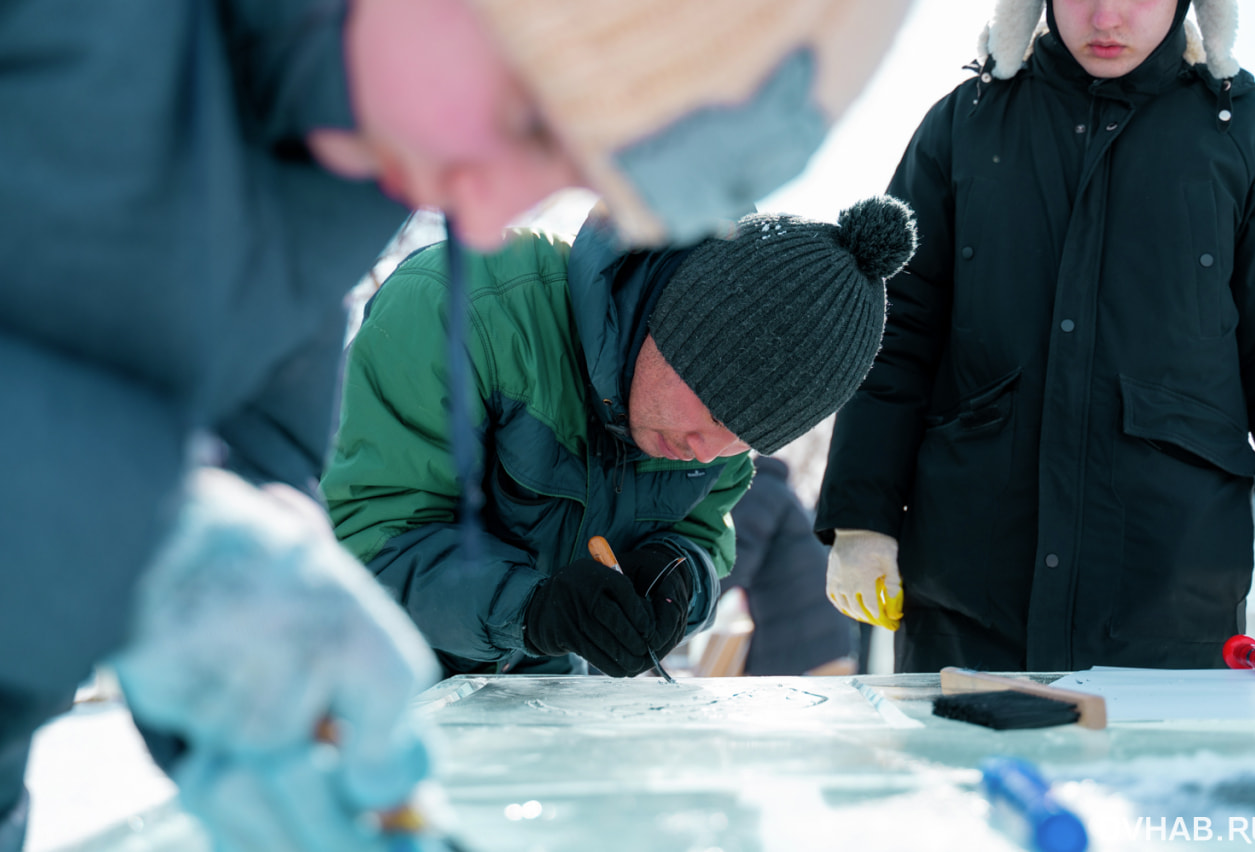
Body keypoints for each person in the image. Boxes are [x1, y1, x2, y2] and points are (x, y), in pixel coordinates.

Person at [1, 0, 921, 849]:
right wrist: (148, 542)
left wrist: (256, 711)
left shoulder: (339, 195)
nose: (489, 209)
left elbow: (256, 497)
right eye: (528, 116)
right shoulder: (78, 30)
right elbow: (328, 536)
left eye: (567, 169)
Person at [816, 0, 1255, 674]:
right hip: (971, 597)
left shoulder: (1248, 134)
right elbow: (893, 330)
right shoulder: (966, 123)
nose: (1106, 17)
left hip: (1169, 595)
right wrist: (862, 518)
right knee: (968, 781)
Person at [321, 198, 916, 679]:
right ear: (666, 319)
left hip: (530, 706)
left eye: (748, 437)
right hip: (353, 682)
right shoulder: (466, 309)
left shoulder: (707, 441)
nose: (707, 450)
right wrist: (532, 608)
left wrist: (680, 577)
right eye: (714, 406)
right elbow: (361, 543)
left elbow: (704, 538)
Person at [723, 455, 862, 676]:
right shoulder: (777, 490)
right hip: (822, 636)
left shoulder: (759, 492)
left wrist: (689, 600)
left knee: (775, 704)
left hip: (804, 639)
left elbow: (733, 560)